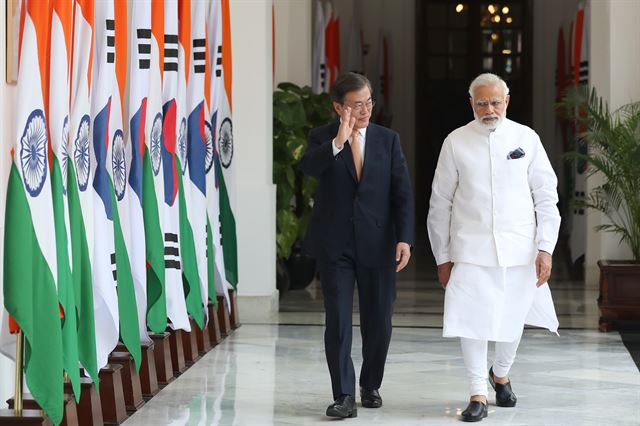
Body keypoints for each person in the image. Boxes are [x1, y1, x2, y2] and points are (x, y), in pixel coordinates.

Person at [427, 73, 561, 422]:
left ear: (507, 101)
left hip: (520, 249)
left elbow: (546, 197)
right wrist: (442, 256)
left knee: (512, 320)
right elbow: (440, 203)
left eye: (495, 102)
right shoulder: (455, 141)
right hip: (469, 249)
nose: (489, 109)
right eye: (482, 102)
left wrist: (545, 248)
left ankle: (499, 373)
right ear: (471, 103)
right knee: (472, 322)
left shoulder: (526, 138)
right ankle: (477, 393)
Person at [301, 72, 414, 419]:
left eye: (368, 102)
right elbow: (308, 167)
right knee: (337, 321)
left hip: (378, 243)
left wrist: (404, 238)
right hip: (336, 246)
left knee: (379, 320)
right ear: (339, 107)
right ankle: (344, 395)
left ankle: (370, 384)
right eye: (356, 104)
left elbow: (402, 194)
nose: (364, 110)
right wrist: (339, 140)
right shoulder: (322, 139)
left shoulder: (387, 140)